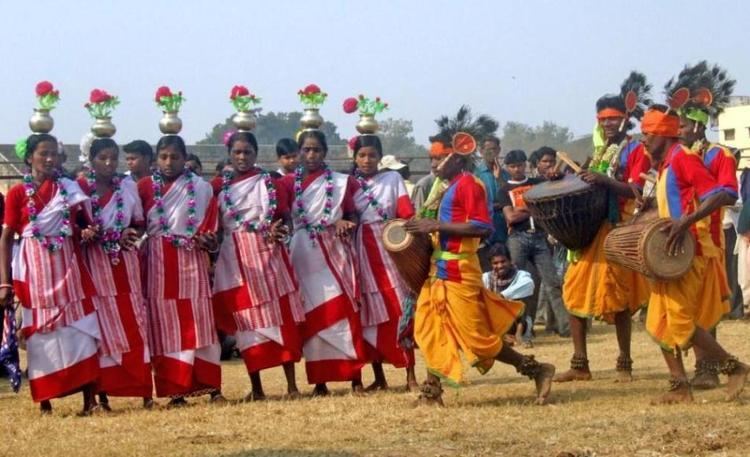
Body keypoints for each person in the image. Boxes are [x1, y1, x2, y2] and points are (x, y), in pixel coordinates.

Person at [405, 135, 555, 406]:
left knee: (477, 339)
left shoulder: (469, 185)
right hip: (439, 268)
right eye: (431, 158)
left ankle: (536, 369)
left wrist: (435, 227)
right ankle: (432, 392)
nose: (434, 163)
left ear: (457, 158)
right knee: (432, 329)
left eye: (439, 158)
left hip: (461, 270)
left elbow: (483, 226)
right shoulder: (447, 185)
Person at [640, 103, 748, 403]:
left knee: (680, 320)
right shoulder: (666, 164)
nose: (644, 140)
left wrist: (685, 222)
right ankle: (680, 387)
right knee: (658, 321)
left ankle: (734, 367)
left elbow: (721, 194)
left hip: (692, 250)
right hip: (671, 251)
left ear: (665, 134)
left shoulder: (684, 159)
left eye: (649, 133)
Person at [555, 72, 652, 383]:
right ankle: (580, 364)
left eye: (614, 118)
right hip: (588, 233)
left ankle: (625, 363)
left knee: (618, 296)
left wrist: (604, 180)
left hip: (618, 229)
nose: (608, 123)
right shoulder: (597, 152)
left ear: (626, 119)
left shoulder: (635, 149)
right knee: (572, 293)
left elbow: (637, 190)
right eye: (603, 118)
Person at [0, 133, 99, 414]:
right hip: (35, 275)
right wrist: (4, 282)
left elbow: (82, 224)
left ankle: (89, 400)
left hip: (69, 272)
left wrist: (86, 231)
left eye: (54, 153)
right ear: (29, 157)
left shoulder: (69, 188)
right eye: (43, 153)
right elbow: (6, 237)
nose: (50, 159)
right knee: (41, 340)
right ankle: (46, 402)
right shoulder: (19, 193)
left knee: (81, 332)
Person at [211, 131, 305, 401]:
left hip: (269, 256)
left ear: (256, 153)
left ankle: (292, 386)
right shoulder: (218, 186)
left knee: (280, 319)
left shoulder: (271, 182)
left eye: (247, 152)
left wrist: (280, 231)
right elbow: (214, 225)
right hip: (236, 261)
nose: (242, 157)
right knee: (247, 325)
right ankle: (258, 388)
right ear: (229, 153)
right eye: (237, 152)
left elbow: (286, 219)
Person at [137, 135, 224, 406]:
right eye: (163, 156)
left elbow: (212, 228)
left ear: (184, 157)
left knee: (199, 322)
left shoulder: (201, 188)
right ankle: (175, 392)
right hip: (158, 263)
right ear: (155, 158)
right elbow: (136, 224)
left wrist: (209, 240)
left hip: (192, 260)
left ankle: (211, 388)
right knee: (165, 327)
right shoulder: (142, 187)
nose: (168, 162)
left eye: (174, 156)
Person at [667, 61, 739, 389]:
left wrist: (690, 219)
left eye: (682, 126)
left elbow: (726, 193)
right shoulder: (678, 156)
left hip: (709, 239)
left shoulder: (719, 156)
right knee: (687, 309)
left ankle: (708, 368)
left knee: (707, 309)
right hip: (683, 240)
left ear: (697, 127)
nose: (677, 131)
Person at [281, 129, 366, 396]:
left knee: (343, 312)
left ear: (325, 152)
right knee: (313, 318)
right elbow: (281, 218)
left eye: (316, 150)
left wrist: (343, 222)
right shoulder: (285, 185)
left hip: (336, 252)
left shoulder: (342, 182)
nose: (311, 155)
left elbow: (353, 215)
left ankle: (355, 379)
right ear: (298, 153)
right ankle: (320, 382)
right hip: (304, 254)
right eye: (305, 150)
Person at [77, 138, 153, 409]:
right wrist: (86, 234)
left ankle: (145, 392)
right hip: (94, 266)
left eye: (113, 158)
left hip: (125, 264)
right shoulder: (79, 189)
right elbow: (74, 227)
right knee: (101, 329)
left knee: (134, 324)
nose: (109, 164)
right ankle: (103, 396)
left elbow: (140, 224)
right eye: (102, 158)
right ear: (91, 159)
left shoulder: (128, 187)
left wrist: (129, 234)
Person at [351, 135, 418, 392]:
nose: (367, 160)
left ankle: (410, 375)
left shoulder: (393, 179)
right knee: (369, 314)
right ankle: (379, 376)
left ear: (380, 157)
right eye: (362, 155)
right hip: (361, 250)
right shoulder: (348, 183)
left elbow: (405, 212)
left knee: (400, 309)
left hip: (390, 247)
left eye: (372, 155)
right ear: (354, 158)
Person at [499, 149, 570, 345]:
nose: (517, 169)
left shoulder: (538, 183)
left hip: (540, 237)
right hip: (517, 238)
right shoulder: (504, 190)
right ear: (507, 167)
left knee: (553, 282)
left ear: (526, 165)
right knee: (519, 286)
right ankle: (520, 331)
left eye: (520, 165)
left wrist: (522, 208)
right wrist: (535, 206)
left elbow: (557, 189)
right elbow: (510, 218)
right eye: (513, 166)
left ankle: (566, 328)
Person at [482, 243, 535, 345]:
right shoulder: (486, 278)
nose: (500, 266)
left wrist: (501, 296)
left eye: (503, 261)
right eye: (495, 263)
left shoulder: (520, 275)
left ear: (510, 261)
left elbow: (529, 284)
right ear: (491, 264)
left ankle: (517, 335)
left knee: (520, 302)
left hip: (517, 324)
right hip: (494, 323)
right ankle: (503, 336)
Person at [475, 135, 509, 272]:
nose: (491, 153)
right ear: (481, 151)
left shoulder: (506, 174)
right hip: (485, 227)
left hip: (504, 226)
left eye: (494, 149)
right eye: (487, 150)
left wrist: (500, 178)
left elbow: (511, 196)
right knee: (485, 268)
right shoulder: (475, 174)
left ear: (499, 150)